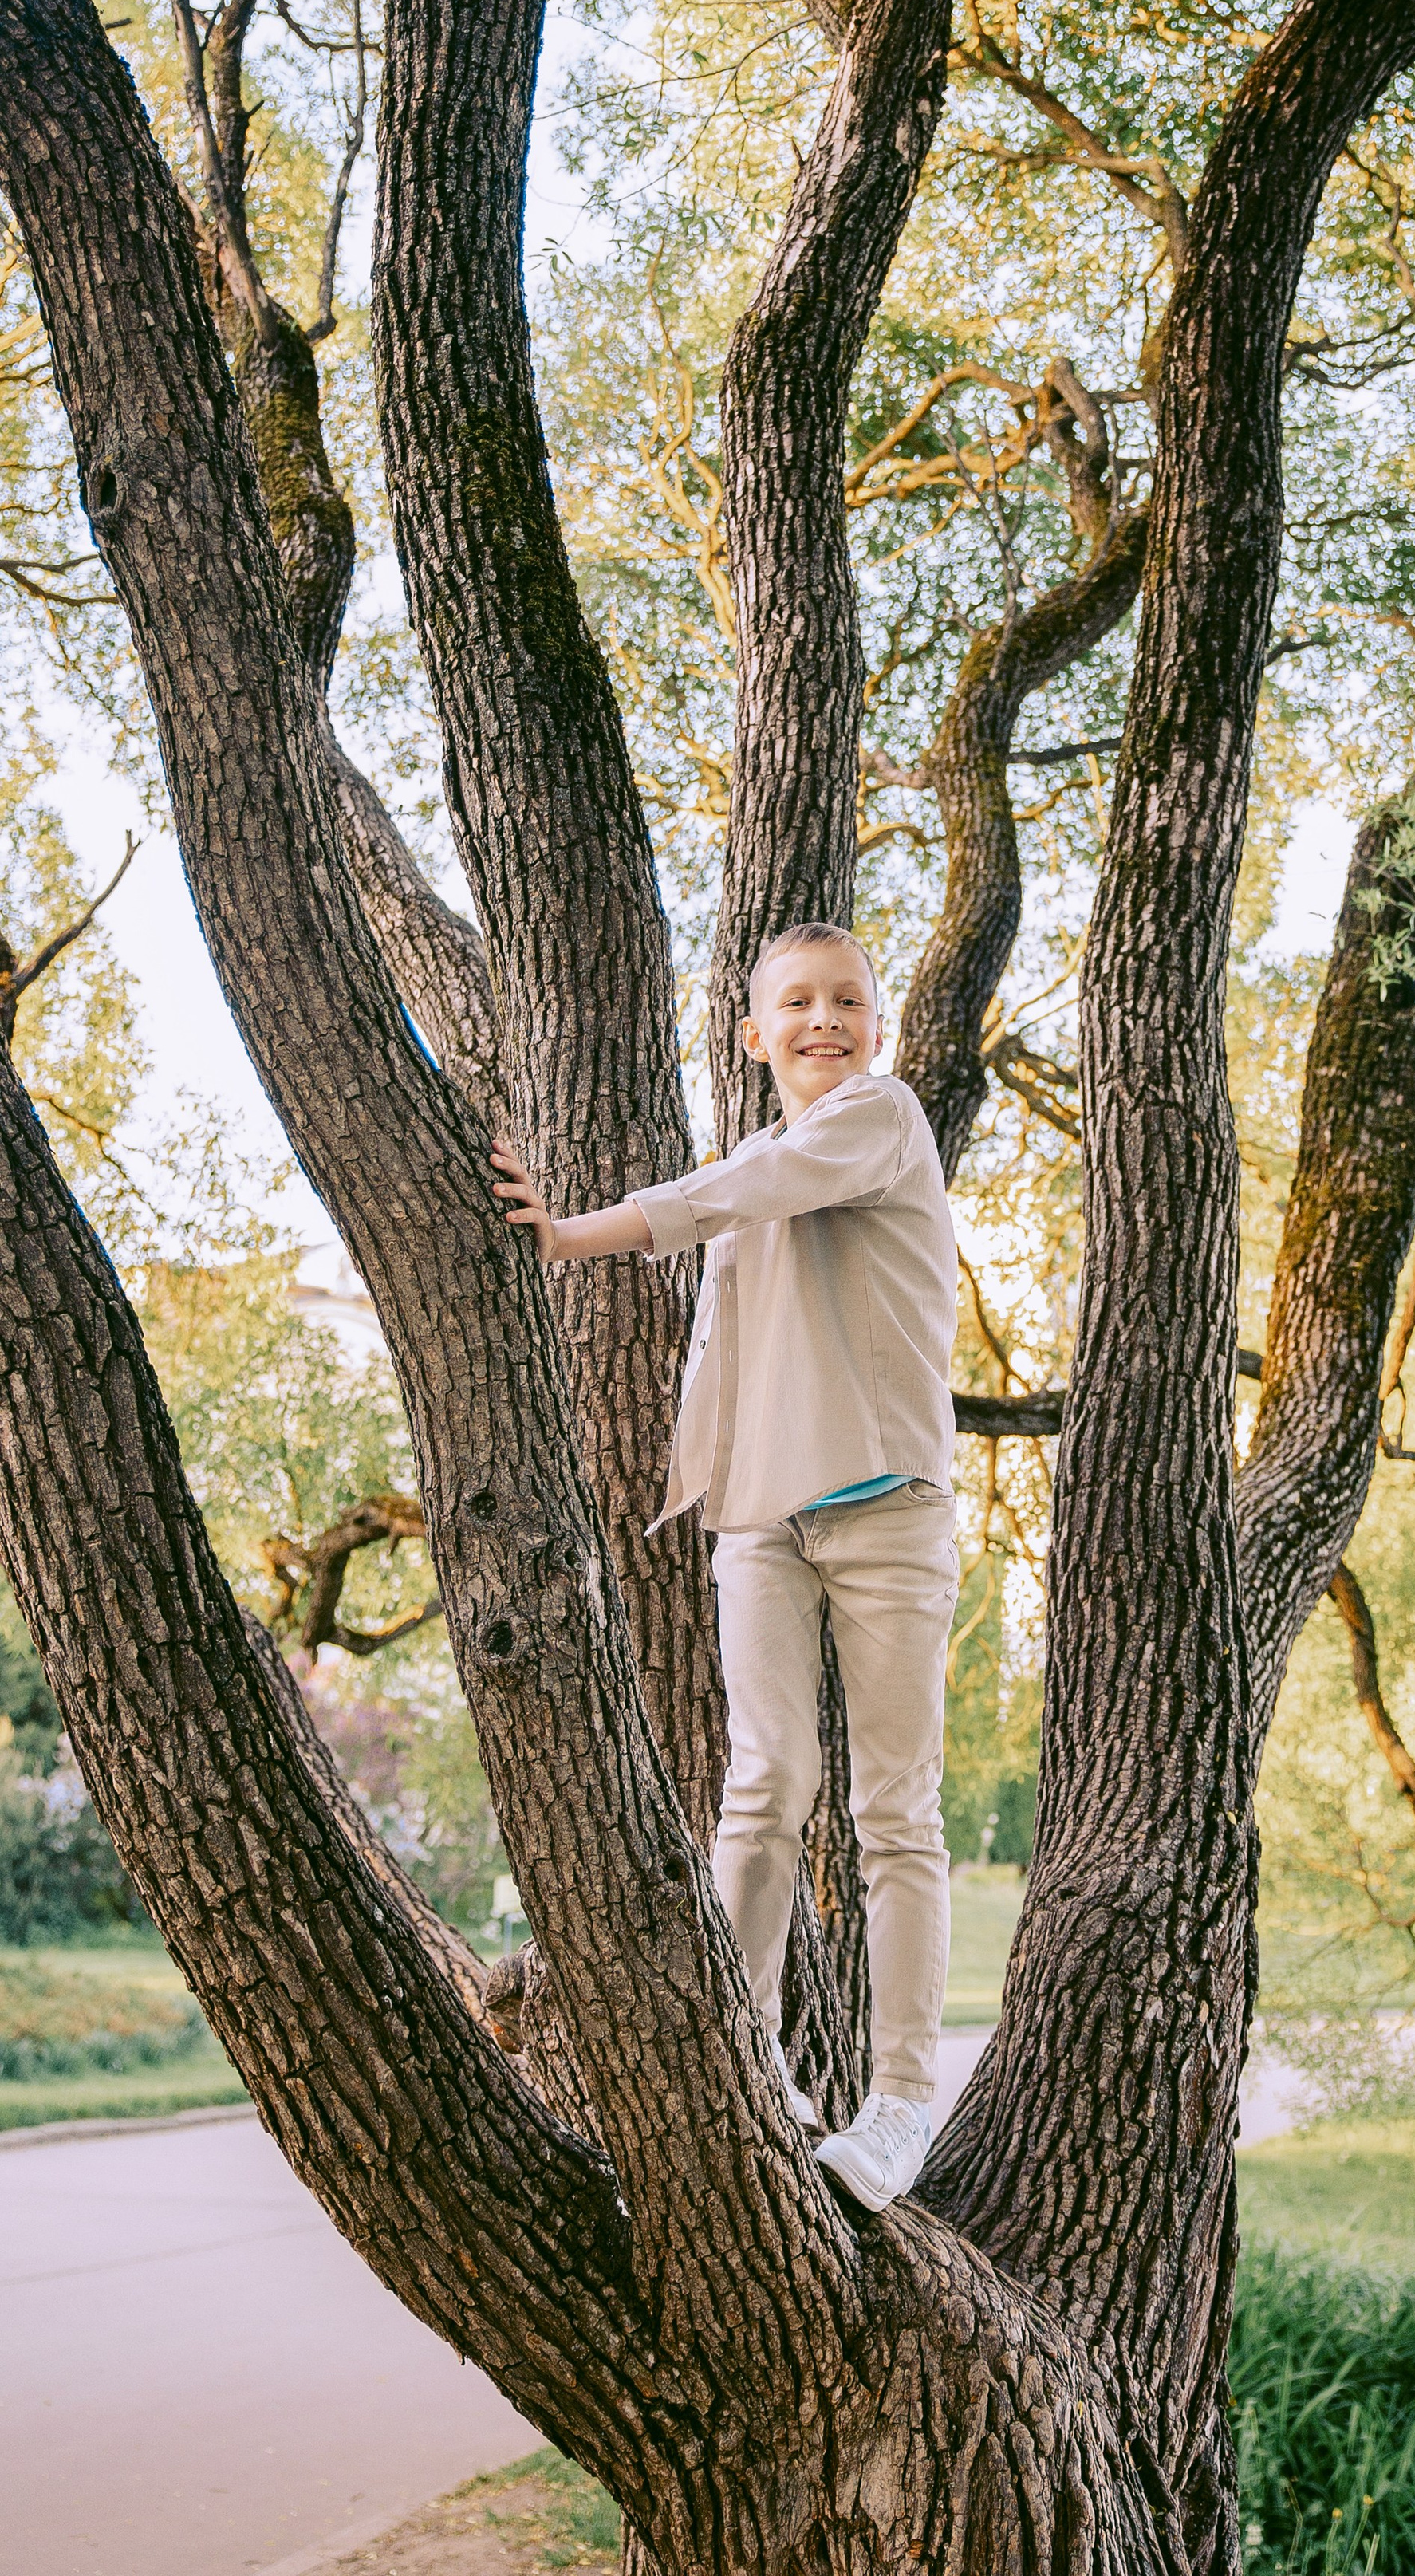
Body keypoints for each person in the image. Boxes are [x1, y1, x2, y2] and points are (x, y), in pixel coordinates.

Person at [487, 922, 958, 2212]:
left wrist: (576, 1236)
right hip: (762, 1521)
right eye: (796, 1004)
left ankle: (904, 2099)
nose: (825, 1020)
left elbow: (742, 1197)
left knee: (893, 1814)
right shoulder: (767, 1152)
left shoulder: (880, 1119)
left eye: (847, 1000)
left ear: (877, 1024)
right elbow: (740, 1243)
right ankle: (747, 2061)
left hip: (889, 1516)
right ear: (754, 1037)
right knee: (764, 1788)